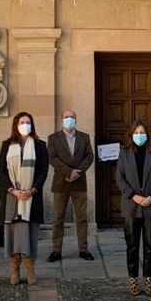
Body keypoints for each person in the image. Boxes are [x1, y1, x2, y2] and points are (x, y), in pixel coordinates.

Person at [0, 112, 49, 286]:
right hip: (12, 198)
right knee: (13, 236)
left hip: (31, 198)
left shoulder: (40, 145)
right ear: (16, 124)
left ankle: (30, 270)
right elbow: (2, 171)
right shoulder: (7, 145)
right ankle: (14, 270)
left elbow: (43, 170)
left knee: (30, 236)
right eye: (22, 122)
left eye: (28, 122)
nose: (25, 125)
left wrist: (32, 190)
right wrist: (12, 190)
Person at [116, 120, 151, 296]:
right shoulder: (124, 153)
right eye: (136, 132)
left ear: (147, 134)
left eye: (142, 132)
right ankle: (133, 281)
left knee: (150, 245)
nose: (139, 135)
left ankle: (149, 280)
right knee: (132, 246)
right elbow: (120, 178)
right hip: (131, 206)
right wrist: (133, 195)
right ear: (131, 135)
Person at [46, 109, 95, 262]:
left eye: (72, 117)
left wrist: (77, 172)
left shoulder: (84, 137)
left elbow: (89, 156)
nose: (69, 119)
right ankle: (56, 250)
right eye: (66, 117)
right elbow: (52, 158)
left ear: (76, 119)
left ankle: (83, 249)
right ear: (62, 119)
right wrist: (69, 172)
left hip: (79, 182)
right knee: (58, 218)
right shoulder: (53, 138)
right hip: (61, 182)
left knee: (82, 218)